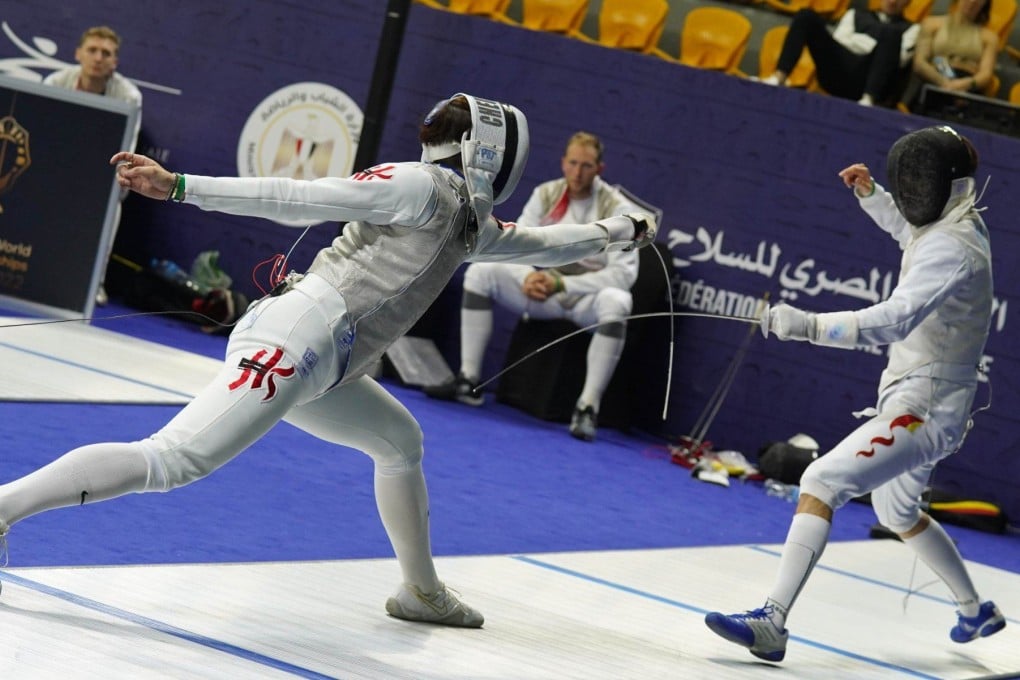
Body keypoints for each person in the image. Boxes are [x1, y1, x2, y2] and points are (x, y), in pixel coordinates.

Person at [0, 94, 655, 627]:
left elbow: (539, 244)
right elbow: (299, 197)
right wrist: (180, 187)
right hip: (300, 335)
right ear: (490, 153)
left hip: (328, 358)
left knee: (400, 440)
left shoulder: (465, 218)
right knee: (173, 460)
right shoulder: (418, 185)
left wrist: (618, 230)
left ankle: (420, 593)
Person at [705, 125, 1005, 661]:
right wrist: (875, 199)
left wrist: (807, 325)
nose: (912, 192)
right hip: (923, 397)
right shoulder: (952, 224)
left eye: (918, 182)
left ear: (946, 186)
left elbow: (892, 320)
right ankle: (975, 610)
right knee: (897, 513)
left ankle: (773, 621)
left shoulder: (954, 248)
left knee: (821, 479)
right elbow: (913, 233)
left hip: (925, 410)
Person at [424, 131, 640, 442]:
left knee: (618, 301)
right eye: (574, 164)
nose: (578, 173)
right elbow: (516, 243)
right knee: (481, 272)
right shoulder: (546, 194)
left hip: (583, 301)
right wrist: (527, 276)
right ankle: (467, 379)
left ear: (600, 169)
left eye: (587, 166)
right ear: (564, 163)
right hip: (541, 295)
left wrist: (562, 283)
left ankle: (587, 407)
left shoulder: (617, 208)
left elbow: (623, 275)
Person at [44, 25, 143, 306]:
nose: (98, 57)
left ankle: (93, 284)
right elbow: (42, 135)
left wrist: (110, 185)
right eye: (92, 50)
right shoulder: (55, 83)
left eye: (106, 53)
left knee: (115, 200)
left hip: (99, 177)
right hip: (54, 170)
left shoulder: (128, 96)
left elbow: (127, 150)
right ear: (78, 54)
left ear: (115, 62)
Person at [758, 0, 920, 107]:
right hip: (838, 72)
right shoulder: (855, 14)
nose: (892, 1)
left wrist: (858, 38)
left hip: (871, 80)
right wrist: (872, 44)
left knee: (891, 35)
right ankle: (779, 77)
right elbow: (840, 41)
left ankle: (867, 100)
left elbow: (897, 60)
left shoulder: (912, 28)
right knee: (805, 16)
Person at [905, 0, 999, 107]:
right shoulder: (932, 24)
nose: (972, 2)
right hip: (934, 81)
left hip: (967, 89)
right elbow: (920, 63)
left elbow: (985, 75)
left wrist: (962, 86)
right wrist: (945, 84)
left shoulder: (989, 38)